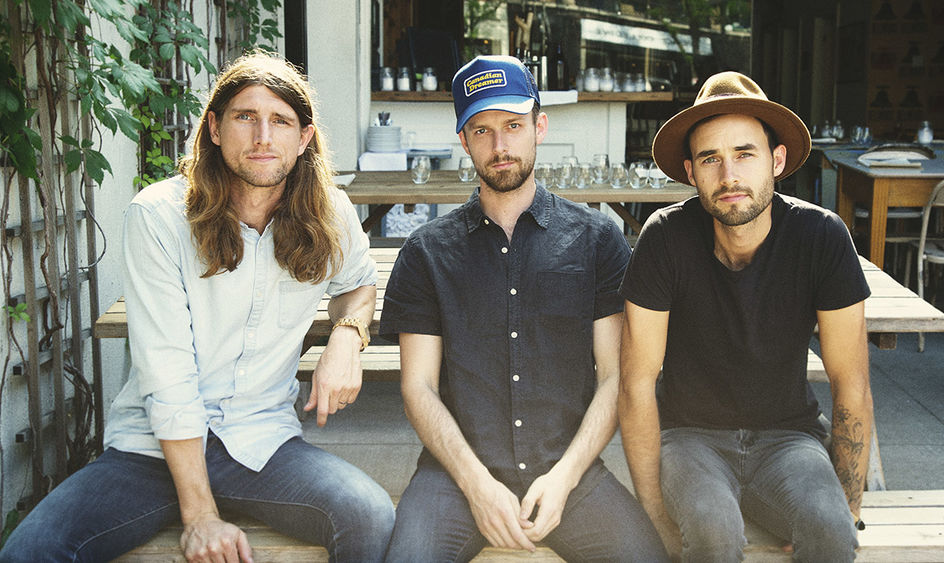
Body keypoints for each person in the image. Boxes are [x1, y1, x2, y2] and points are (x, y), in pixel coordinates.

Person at [0, 52, 394, 562]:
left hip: (260, 441)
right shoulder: (159, 216)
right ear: (213, 127)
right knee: (29, 551)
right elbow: (167, 374)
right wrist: (201, 515)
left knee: (370, 514)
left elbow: (360, 285)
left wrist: (345, 337)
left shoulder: (330, 212)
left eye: (280, 121)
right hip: (152, 451)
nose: (262, 137)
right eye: (245, 117)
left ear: (303, 140)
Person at [380, 55, 668, 562]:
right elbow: (417, 387)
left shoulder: (597, 239)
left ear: (539, 126)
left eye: (513, 126)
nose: (500, 145)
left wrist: (564, 478)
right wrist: (477, 486)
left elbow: (613, 379)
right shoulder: (427, 252)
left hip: (569, 474)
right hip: (454, 477)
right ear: (464, 140)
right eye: (482, 130)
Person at [618, 71, 873, 562]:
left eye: (745, 154)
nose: (729, 175)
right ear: (691, 172)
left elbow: (852, 383)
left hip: (789, 439)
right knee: (713, 532)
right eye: (711, 158)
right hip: (690, 439)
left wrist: (847, 508)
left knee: (831, 530)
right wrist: (652, 514)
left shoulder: (821, 236)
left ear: (777, 161)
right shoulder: (664, 237)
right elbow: (635, 383)